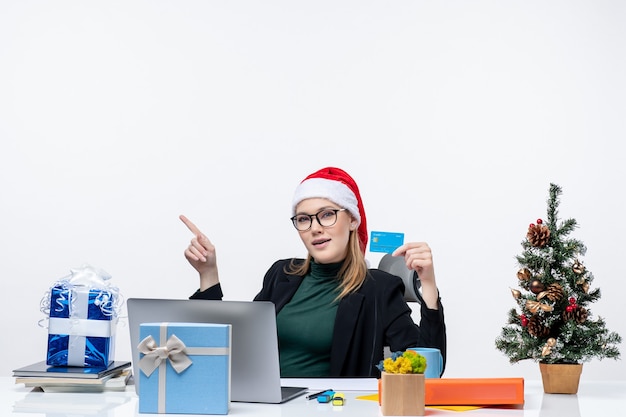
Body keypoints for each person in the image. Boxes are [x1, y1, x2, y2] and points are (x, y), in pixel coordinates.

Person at [181, 167, 446, 377]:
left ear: (353, 220)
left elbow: (425, 369)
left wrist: (429, 285)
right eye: (304, 219)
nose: (315, 228)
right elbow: (237, 348)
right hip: (268, 407)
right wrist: (208, 274)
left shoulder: (378, 288)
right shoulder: (281, 274)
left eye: (327, 214)